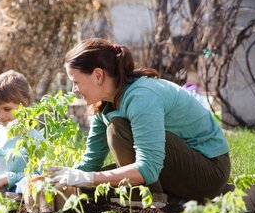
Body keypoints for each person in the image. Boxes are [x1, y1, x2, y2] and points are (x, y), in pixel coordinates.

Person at [48, 38, 230, 202]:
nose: (73, 90)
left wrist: (90, 178)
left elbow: (148, 167)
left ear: (98, 75)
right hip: (173, 166)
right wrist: (63, 179)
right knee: (87, 189)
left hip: (208, 172)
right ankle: (162, 195)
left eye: (76, 82)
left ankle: (151, 199)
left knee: (117, 130)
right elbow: (91, 162)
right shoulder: (105, 104)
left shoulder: (141, 97)